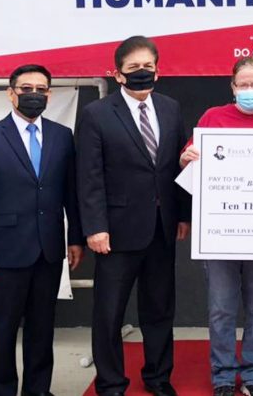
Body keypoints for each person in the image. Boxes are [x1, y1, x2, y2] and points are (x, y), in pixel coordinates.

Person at [76, 36, 192, 396]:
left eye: (148, 67)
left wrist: (183, 215)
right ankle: (111, 383)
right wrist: (94, 228)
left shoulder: (171, 108)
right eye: (134, 68)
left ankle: (158, 378)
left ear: (158, 69)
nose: (142, 73)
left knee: (159, 310)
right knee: (109, 314)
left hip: (162, 228)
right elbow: (89, 176)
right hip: (116, 232)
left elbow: (178, 165)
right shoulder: (96, 114)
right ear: (117, 74)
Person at [0, 63, 85, 396]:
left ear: (49, 94)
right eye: (26, 89)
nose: (34, 95)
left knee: (42, 330)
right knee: (1, 330)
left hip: (48, 250)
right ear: (10, 93)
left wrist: (75, 238)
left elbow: (69, 193)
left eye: (41, 89)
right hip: (3, 253)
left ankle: (38, 390)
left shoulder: (62, 136)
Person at [180, 56, 253, 396]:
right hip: (220, 231)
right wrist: (187, 157)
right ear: (233, 88)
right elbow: (188, 160)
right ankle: (224, 377)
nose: (250, 90)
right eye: (243, 85)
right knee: (221, 309)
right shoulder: (213, 117)